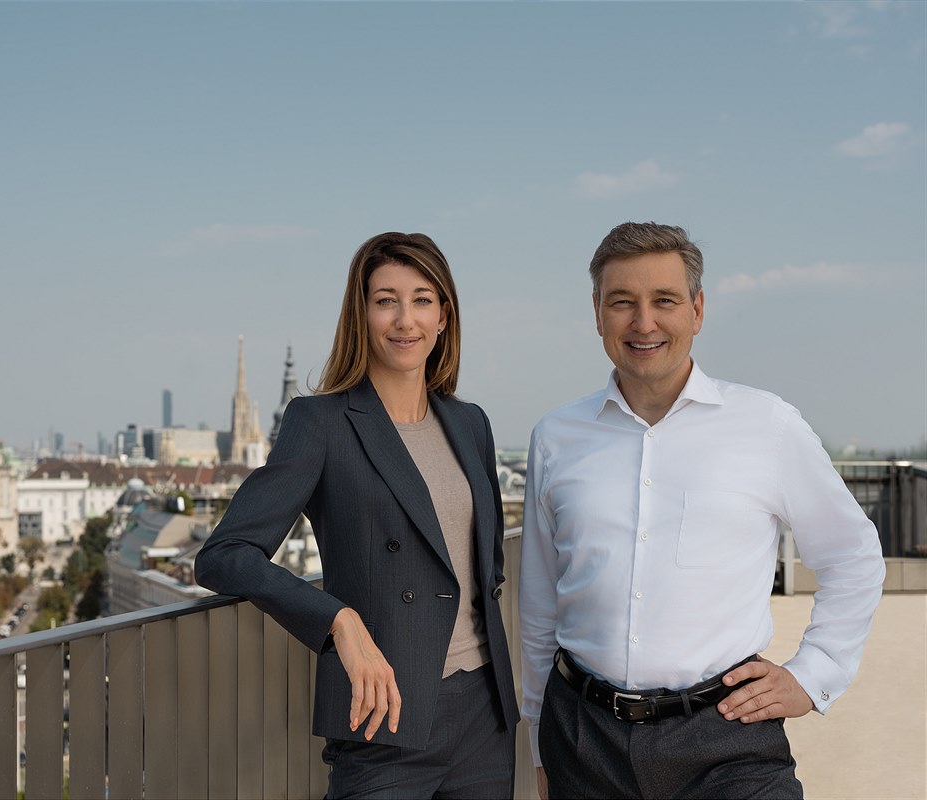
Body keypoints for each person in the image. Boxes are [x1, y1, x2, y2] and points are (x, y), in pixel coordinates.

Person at [519, 221, 885, 800]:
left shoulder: (767, 426)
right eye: (622, 303)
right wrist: (541, 740)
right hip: (584, 741)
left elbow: (854, 556)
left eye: (664, 300)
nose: (644, 323)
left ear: (697, 309)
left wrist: (812, 675)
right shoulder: (556, 437)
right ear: (597, 313)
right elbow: (539, 605)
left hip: (729, 740)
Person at [195, 232, 519, 798]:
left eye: (422, 299)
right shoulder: (319, 422)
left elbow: (482, 567)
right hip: (384, 716)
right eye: (385, 299)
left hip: (483, 716)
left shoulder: (471, 424)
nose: (404, 319)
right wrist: (339, 621)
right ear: (361, 313)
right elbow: (225, 555)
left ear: (444, 316)